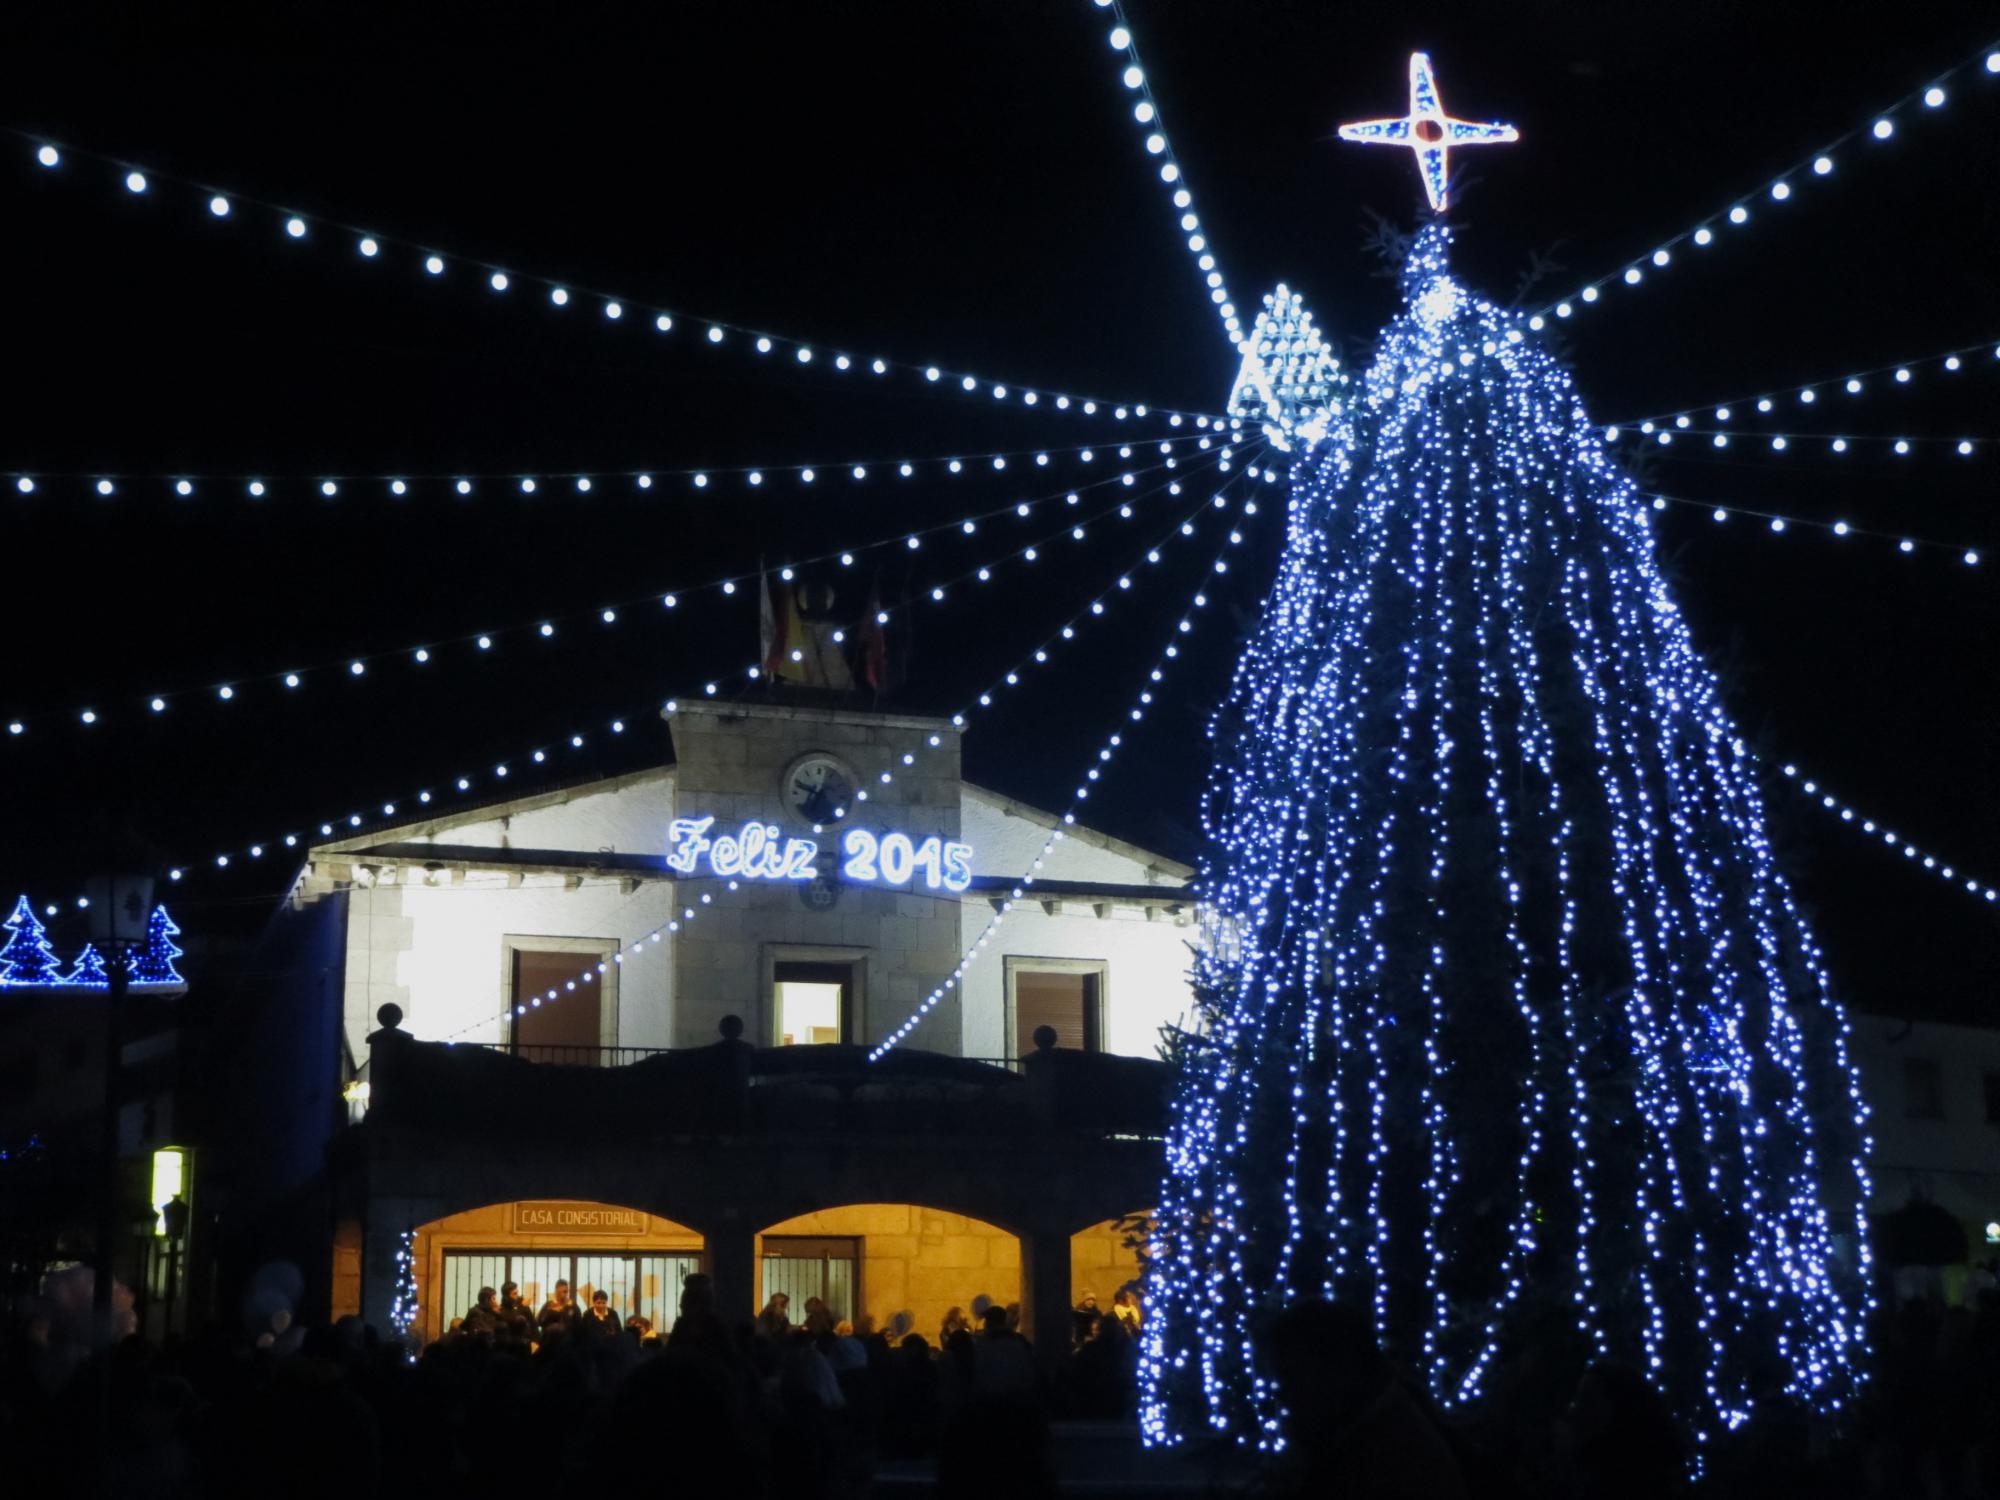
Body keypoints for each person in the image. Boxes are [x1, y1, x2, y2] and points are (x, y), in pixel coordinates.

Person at [1257, 1300, 1466, 1499]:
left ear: (1338, 1368)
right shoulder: (1381, 1419)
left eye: (1290, 1378)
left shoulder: (1383, 1456)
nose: (1281, 1396)